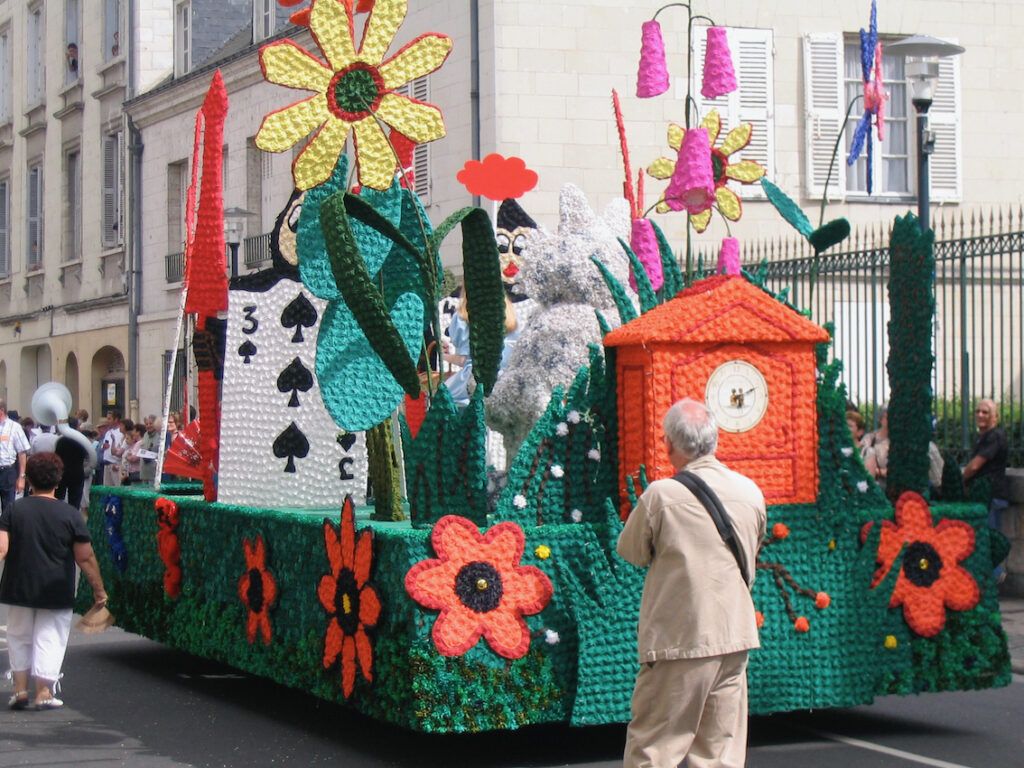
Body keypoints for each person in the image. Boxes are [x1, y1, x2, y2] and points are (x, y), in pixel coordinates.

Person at [617, 398, 766, 768]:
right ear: (715, 439)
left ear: (668, 444)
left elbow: (632, 552)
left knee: (654, 749)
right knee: (719, 754)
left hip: (678, 640)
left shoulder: (661, 496)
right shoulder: (750, 491)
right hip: (734, 637)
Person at [0, 452, 108, 710]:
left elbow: (2, 548)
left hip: (18, 585)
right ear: (58, 481)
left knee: (19, 635)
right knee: (50, 637)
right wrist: (99, 589)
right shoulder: (69, 514)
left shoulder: (14, 510)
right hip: (56, 586)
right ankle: (44, 692)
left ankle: (19, 690)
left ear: (29, 481)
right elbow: (85, 556)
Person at [963, 399, 1009, 576]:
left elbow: (975, 466)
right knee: (983, 540)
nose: (980, 415)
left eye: (985, 412)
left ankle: (996, 576)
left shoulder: (994, 436)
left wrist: (961, 479)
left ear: (995, 417)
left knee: (987, 540)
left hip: (992, 496)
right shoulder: (985, 437)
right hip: (985, 496)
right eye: (978, 411)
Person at [0, 400, 30, 513]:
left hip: (7, 471)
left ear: (1, 411)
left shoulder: (15, 427)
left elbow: (22, 453)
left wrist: (21, 477)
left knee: (8, 508)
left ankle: (6, 530)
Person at [55, 417, 90, 511]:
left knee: (59, 499)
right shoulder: (81, 441)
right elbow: (87, 455)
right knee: (75, 501)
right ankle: (73, 519)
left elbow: (56, 455)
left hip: (62, 473)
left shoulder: (60, 441)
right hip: (77, 472)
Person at [100, 410, 125, 487]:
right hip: (107, 464)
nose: (107, 421)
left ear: (116, 419)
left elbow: (122, 448)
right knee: (107, 488)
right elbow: (103, 446)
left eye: (109, 419)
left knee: (117, 487)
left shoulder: (121, 432)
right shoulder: (108, 432)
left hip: (116, 465)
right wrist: (103, 446)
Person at [139, 416, 161, 486]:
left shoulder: (159, 435)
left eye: (150, 423)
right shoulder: (145, 435)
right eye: (146, 424)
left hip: (153, 472)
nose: (148, 426)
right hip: (144, 472)